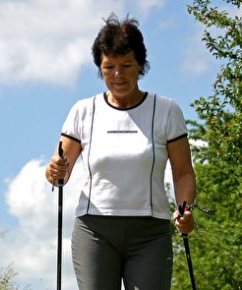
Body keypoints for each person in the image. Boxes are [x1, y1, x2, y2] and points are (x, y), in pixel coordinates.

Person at [45, 14, 196, 290]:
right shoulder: (83, 111)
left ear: (141, 65)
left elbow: (183, 172)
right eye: (109, 66)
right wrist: (55, 168)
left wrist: (185, 209)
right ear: (100, 68)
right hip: (95, 231)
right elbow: (58, 173)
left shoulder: (166, 110)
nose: (118, 75)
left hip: (150, 233)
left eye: (127, 65)